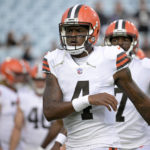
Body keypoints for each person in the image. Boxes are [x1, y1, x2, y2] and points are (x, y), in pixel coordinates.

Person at [42, 4, 150, 150]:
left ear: (94, 31)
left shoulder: (110, 58)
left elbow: (142, 103)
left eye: (79, 30)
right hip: (73, 145)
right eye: (69, 30)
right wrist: (88, 99)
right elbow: (50, 111)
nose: (73, 36)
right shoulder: (54, 59)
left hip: (105, 144)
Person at [104, 19, 150, 150]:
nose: (119, 43)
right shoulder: (97, 68)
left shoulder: (145, 66)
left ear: (133, 42)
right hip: (107, 144)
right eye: (115, 40)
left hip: (140, 144)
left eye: (124, 39)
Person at [9, 64, 62, 150]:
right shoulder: (24, 97)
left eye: (42, 80)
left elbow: (63, 126)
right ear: (32, 80)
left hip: (51, 146)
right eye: (36, 80)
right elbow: (17, 127)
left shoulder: (58, 98)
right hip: (27, 146)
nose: (40, 83)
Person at [0, 58, 29, 150]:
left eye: (22, 75)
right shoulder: (2, 91)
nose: (21, 78)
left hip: (20, 144)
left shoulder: (24, 91)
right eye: (18, 75)